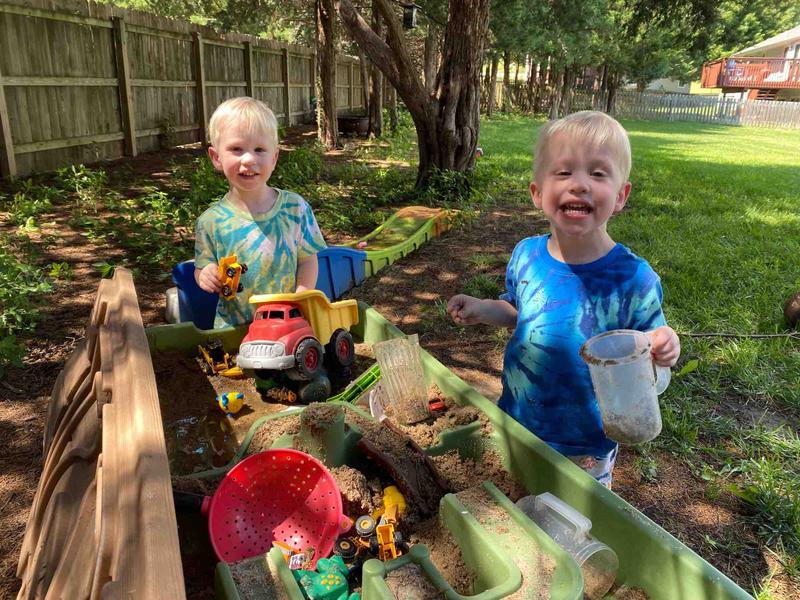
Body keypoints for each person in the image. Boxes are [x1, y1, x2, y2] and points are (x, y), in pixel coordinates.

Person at [447, 111, 680, 486]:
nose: (580, 185)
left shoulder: (634, 279)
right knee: (518, 497)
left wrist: (665, 344)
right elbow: (520, 311)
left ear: (621, 196)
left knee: (573, 522)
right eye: (564, 172)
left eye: (598, 173)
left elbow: (652, 345)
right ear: (537, 193)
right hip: (519, 418)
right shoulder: (526, 255)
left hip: (584, 441)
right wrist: (483, 309)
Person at [194, 97, 326, 328]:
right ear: (216, 157)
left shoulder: (295, 209)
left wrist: (301, 298)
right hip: (234, 329)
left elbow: (307, 260)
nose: (248, 159)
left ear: (274, 158)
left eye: (259, 149)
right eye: (236, 149)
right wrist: (206, 274)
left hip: (287, 323)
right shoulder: (211, 222)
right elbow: (201, 267)